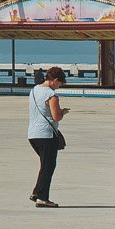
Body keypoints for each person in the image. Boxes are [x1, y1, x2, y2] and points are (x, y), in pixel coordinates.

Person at [27, 66, 70, 207]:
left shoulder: (34, 90)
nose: (59, 87)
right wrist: (63, 112)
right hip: (46, 134)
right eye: (60, 84)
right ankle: (42, 198)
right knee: (49, 166)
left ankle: (37, 192)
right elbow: (56, 117)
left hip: (33, 134)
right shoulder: (51, 95)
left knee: (45, 165)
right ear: (55, 80)